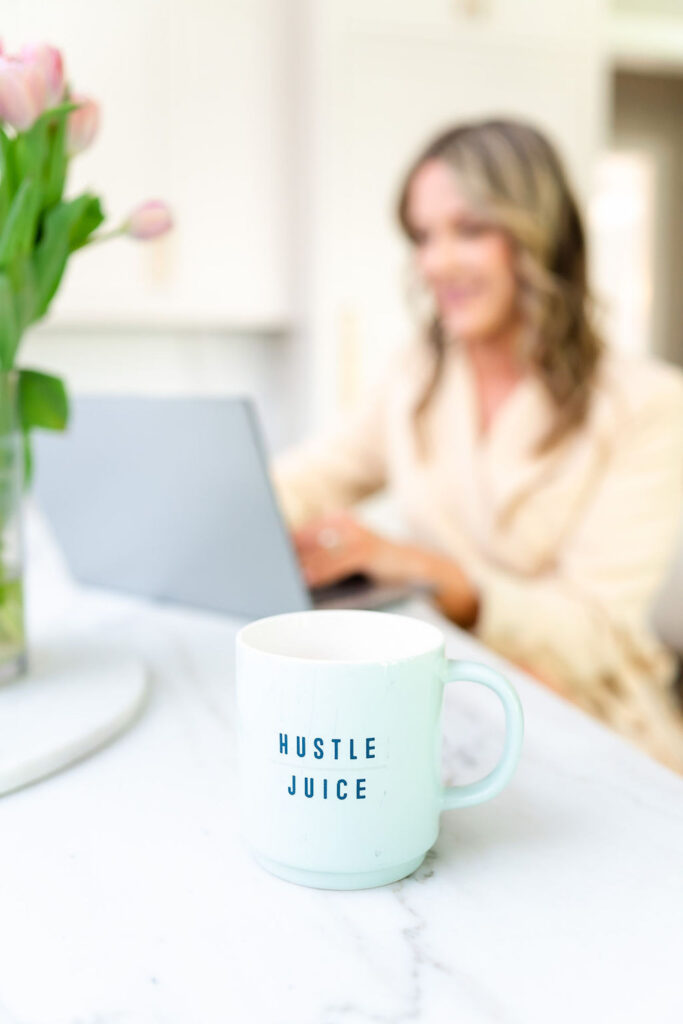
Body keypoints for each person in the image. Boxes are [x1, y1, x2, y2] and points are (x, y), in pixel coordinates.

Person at [271, 118, 683, 772]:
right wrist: (229, 505)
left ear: (538, 236)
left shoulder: (646, 404)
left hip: (592, 725)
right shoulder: (417, 376)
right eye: (422, 236)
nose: (435, 263)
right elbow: (312, 478)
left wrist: (436, 574)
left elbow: (597, 631)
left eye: (469, 230)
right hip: (454, 701)